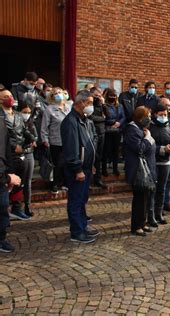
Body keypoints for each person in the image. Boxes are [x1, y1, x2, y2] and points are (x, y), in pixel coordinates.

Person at [60, 90, 99, 243]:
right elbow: (71, 149)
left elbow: (91, 142)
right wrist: (78, 169)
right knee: (75, 200)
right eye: (89, 102)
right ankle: (76, 232)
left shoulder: (86, 120)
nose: (91, 106)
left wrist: (92, 164)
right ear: (81, 103)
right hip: (78, 170)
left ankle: (82, 227)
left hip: (87, 167)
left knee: (82, 199)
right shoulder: (71, 121)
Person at [123, 106, 156, 236]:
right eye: (147, 116)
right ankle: (136, 226)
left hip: (146, 169)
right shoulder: (132, 130)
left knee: (145, 199)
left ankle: (143, 223)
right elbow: (140, 148)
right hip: (137, 170)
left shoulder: (141, 129)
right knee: (139, 200)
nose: (149, 119)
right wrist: (148, 138)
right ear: (140, 118)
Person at [1, 90, 33, 221]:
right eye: (6, 97)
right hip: (8, 154)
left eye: (10, 96)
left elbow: (24, 130)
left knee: (20, 182)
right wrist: (14, 146)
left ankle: (16, 208)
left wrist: (31, 138)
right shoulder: (1, 116)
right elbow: (4, 136)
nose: (10, 99)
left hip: (22, 153)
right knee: (7, 182)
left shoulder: (18, 115)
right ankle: (4, 211)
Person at [148, 99, 170, 226]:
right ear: (155, 115)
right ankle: (150, 215)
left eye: (165, 114)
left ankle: (159, 213)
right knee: (152, 189)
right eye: (161, 114)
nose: (163, 116)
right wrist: (161, 149)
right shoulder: (149, 127)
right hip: (153, 163)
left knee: (162, 189)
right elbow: (149, 146)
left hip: (165, 163)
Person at [0, 96, 22, 252]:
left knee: (2, 207)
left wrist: (10, 174)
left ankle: (1, 239)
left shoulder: (1, 121)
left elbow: (6, 150)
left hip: (3, 175)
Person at [41, 87, 70, 194]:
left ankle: (65, 183)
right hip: (55, 141)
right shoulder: (49, 109)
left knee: (67, 163)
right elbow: (44, 127)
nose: (58, 94)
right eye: (55, 93)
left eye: (59, 92)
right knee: (57, 164)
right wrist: (45, 140)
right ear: (52, 97)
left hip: (69, 141)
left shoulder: (69, 107)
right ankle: (55, 184)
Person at [17, 101, 37, 217]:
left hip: (29, 154)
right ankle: (16, 206)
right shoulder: (16, 123)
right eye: (25, 112)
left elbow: (35, 138)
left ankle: (27, 206)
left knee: (28, 181)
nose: (27, 114)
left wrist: (31, 140)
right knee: (19, 182)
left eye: (29, 112)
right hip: (18, 155)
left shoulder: (31, 123)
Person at [103, 88, 125, 176]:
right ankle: (104, 170)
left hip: (117, 131)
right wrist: (113, 122)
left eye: (114, 96)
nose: (113, 97)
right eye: (111, 96)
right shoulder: (104, 106)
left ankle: (115, 169)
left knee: (116, 151)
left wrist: (119, 123)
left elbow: (123, 116)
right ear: (107, 96)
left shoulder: (119, 106)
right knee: (106, 151)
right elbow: (104, 118)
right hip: (108, 131)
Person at [89, 87, 107, 188]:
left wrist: (103, 104)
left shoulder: (101, 105)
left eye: (99, 96)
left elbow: (108, 116)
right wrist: (102, 118)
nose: (97, 98)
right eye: (96, 96)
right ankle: (89, 179)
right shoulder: (89, 104)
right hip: (91, 133)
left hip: (101, 133)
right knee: (90, 157)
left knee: (99, 157)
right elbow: (90, 117)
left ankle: (98, 179)